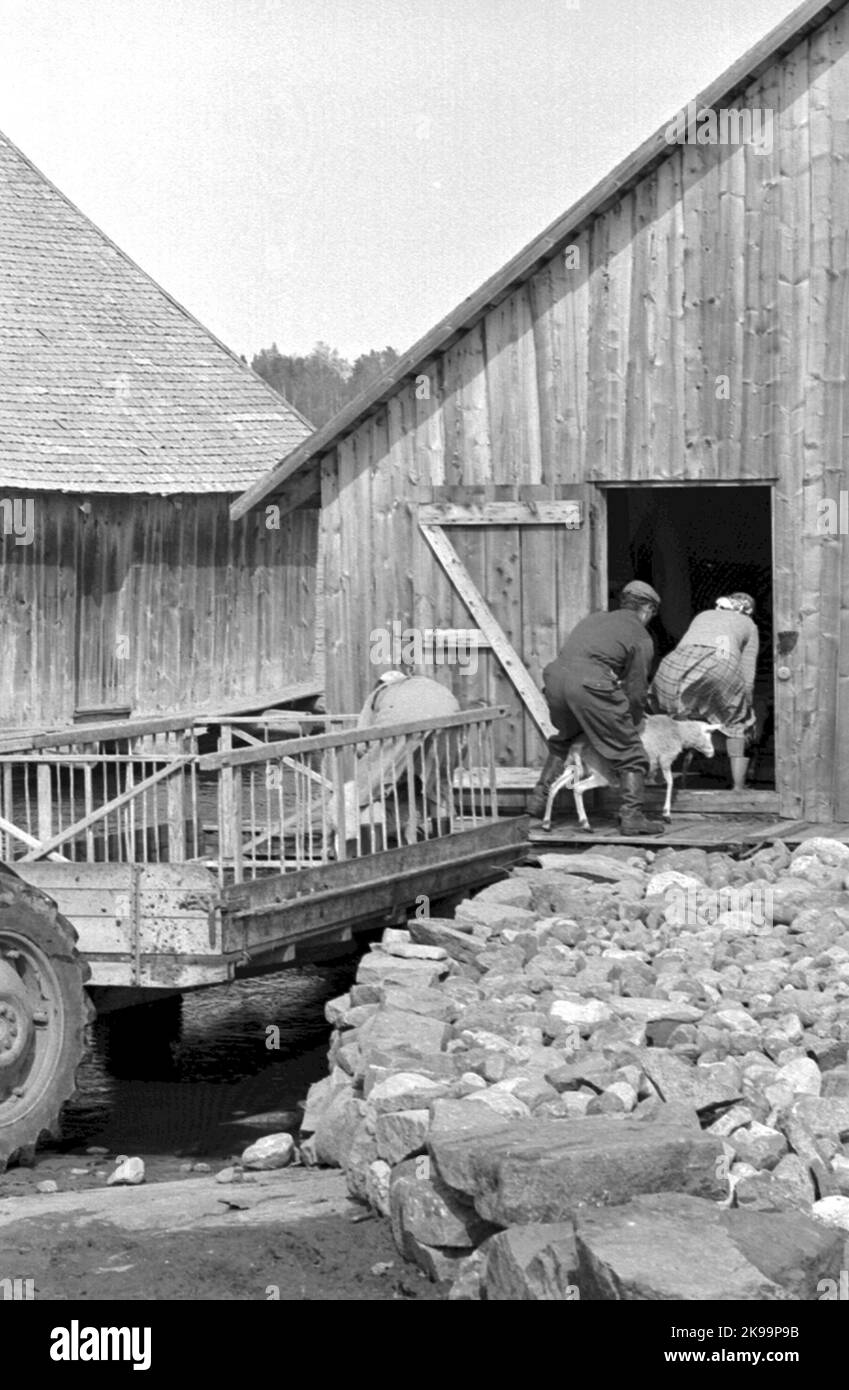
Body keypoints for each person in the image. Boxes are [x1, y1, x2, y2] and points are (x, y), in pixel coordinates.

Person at [527, 580, 664, 834]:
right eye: (651, 614)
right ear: (647, 609)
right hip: (591, 684)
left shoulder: (595, 619)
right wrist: (631, 722)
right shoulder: (640, 636)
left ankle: (537, 804)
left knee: (564, 740)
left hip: (556, 678)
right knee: (631, 752)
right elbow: (636, 690)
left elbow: (577, 653)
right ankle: (632, 817)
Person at [649, 593, 758, 790]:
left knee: (671, 719)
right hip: (720, 659)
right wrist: (745, 704)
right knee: (737, 723)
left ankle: (657, 776)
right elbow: (743, 668)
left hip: (672, 665)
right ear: (747, 612)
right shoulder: (748, 624)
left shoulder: (704, 615)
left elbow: (693, 648)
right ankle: (738, 788)